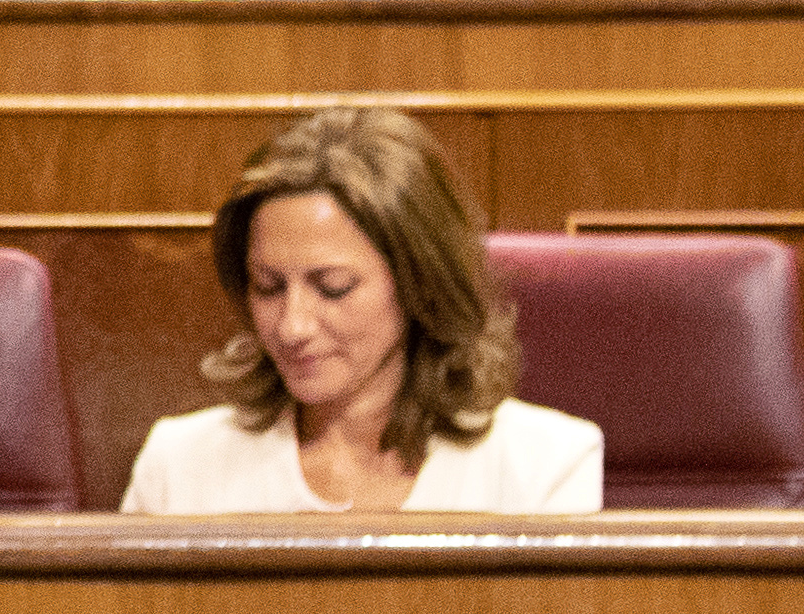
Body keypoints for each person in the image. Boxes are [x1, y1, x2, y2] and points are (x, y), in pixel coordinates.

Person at [127, 102, 610, 514]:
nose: (292, 326)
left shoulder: (544, 465)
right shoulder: (179, 466)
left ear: (418, 282)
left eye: (333, 287)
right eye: (268, 287)